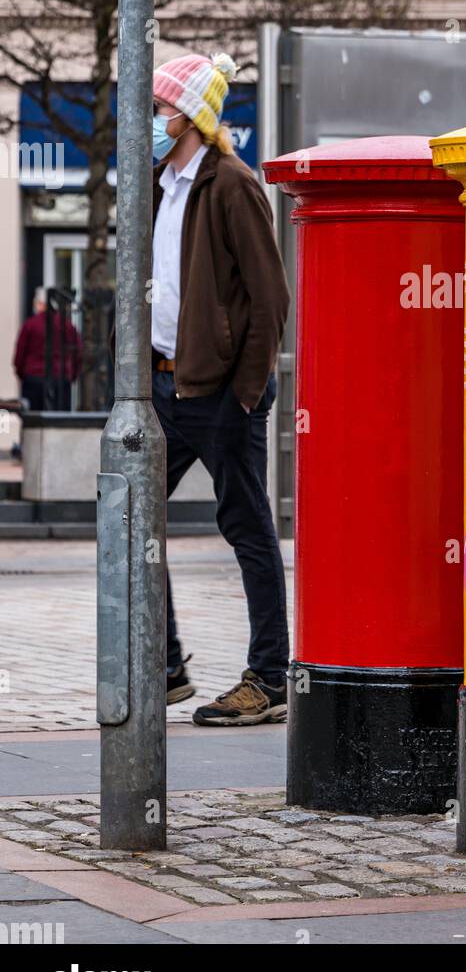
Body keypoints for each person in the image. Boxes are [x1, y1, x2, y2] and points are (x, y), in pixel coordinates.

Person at [150, 51, 291, 726]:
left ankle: (268, 677)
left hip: (219, 394)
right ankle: (164, 661)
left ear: (190, 117)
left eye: (159, 108)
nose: (150, 118)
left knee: (246, 528)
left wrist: (245, 390)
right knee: (128, 515)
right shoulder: (161, 183)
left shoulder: (232, 183)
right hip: (163, 386)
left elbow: (270, 299)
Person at [13, 287, 82, 412]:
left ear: (40, 304)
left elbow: (20, 355)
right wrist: (71, 375)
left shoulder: (30, 325)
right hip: (60, 380)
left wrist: (23, 374)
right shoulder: (67, 325)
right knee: (60, 419)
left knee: (32, 420)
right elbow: (77, 354)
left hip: (34, 378)